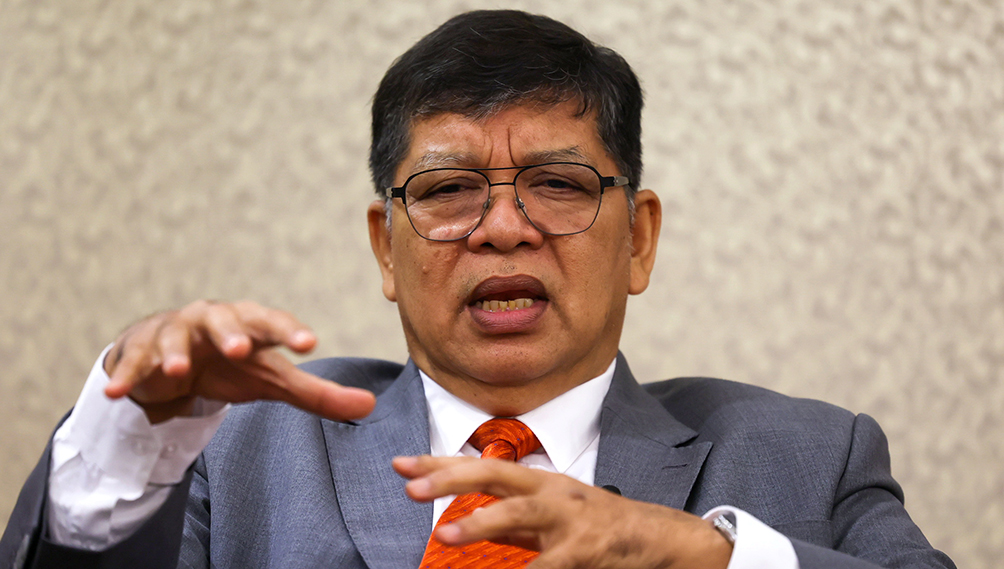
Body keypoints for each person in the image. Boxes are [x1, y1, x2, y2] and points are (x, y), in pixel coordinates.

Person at [1, 10, 954, 569]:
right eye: (450, 189)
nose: (503, 226)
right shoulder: (238, 445)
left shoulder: (808, 457)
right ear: (386, 247)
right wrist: (133, 434)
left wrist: (706, 555)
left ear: (638, 239)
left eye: (559, 183)